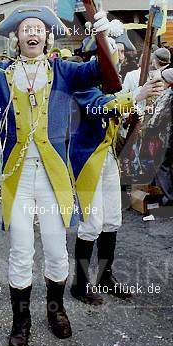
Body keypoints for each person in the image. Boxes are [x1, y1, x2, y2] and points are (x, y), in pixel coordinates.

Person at [0, 5, 114, 346]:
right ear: (17, 38)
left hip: (53, 176)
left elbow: (104, 73)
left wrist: (102, 36)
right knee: (21, 250)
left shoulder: (63, 71)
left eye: (38, 28)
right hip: (16, 176)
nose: (32, 33)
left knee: (55, 248)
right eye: (26, 30)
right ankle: (20, 322)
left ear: (47, 36)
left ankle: (56, 310)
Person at [70, 32, 163, 304]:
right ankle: (80, 283)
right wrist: (136, 95)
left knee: (112, 220)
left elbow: (114, 113)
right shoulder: (82, 83)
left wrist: (133, 113)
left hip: (107, 157)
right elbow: (98, 109)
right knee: (91, 224)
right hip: (86, 161)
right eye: (111, 54)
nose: (118, 59)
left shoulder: (111, 86)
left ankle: (105, 276)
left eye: (118, 54)